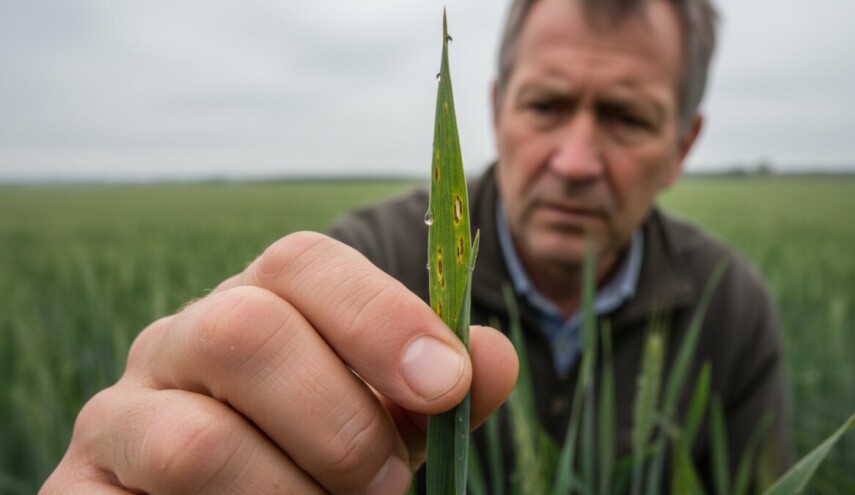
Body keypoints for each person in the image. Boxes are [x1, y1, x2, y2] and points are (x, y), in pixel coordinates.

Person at [43, 0, 790, 493]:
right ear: (497, 109)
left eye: (626, 117)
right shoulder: (376, 265)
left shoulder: (730, 304)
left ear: (683, 144)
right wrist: (165, 446)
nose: (574, 159)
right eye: (547, 104)